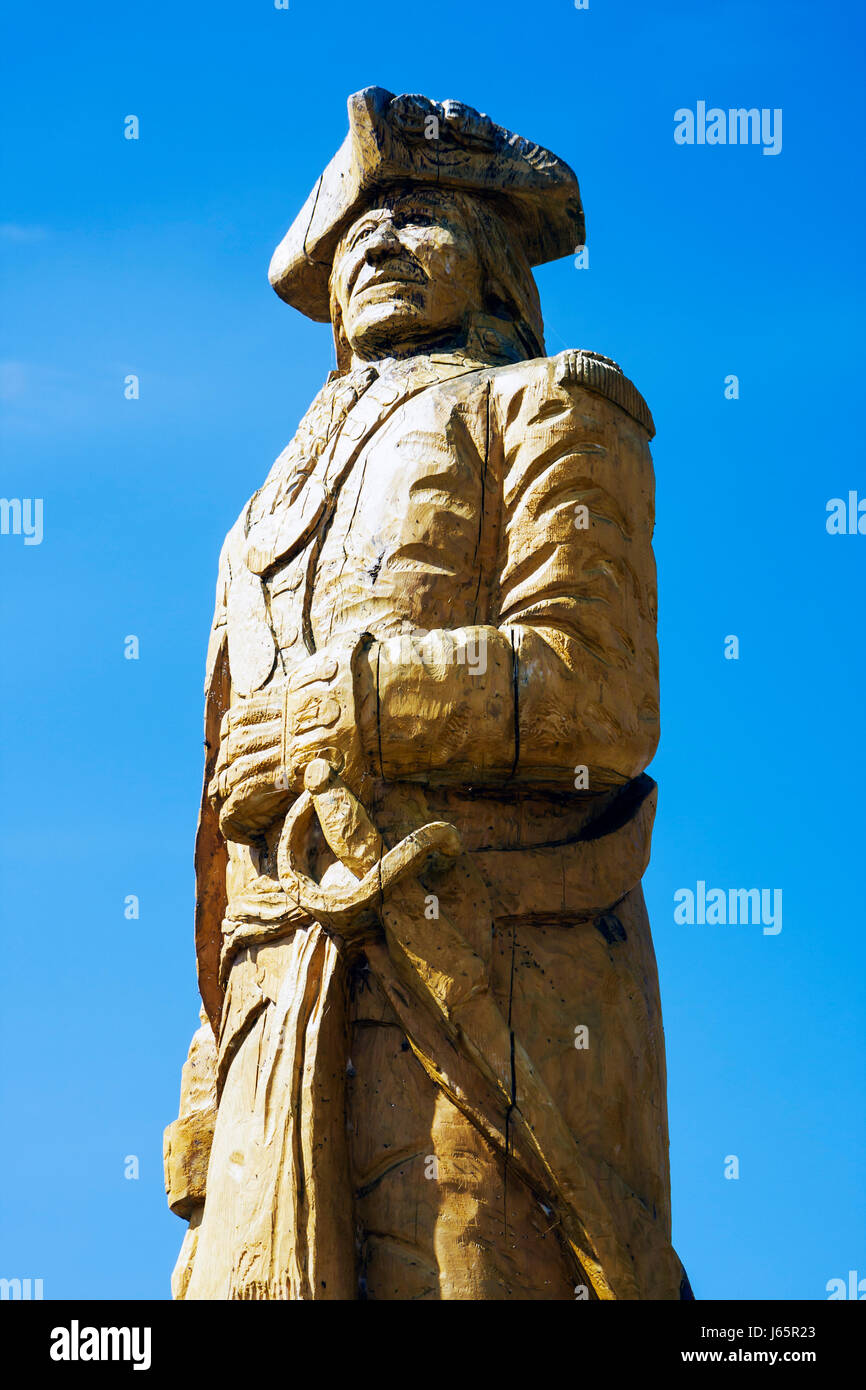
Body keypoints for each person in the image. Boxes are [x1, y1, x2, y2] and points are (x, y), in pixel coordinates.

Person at [164, 87, 692, 1301]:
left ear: (496, 261)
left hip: (487, 997)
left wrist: (338, 709)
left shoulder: (553, 404)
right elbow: (222, 830)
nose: (383, 248)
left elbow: (595, 693)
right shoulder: (251, 521)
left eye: (421, 219)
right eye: (361, 231)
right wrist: (206, 1078)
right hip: (270, 1032)